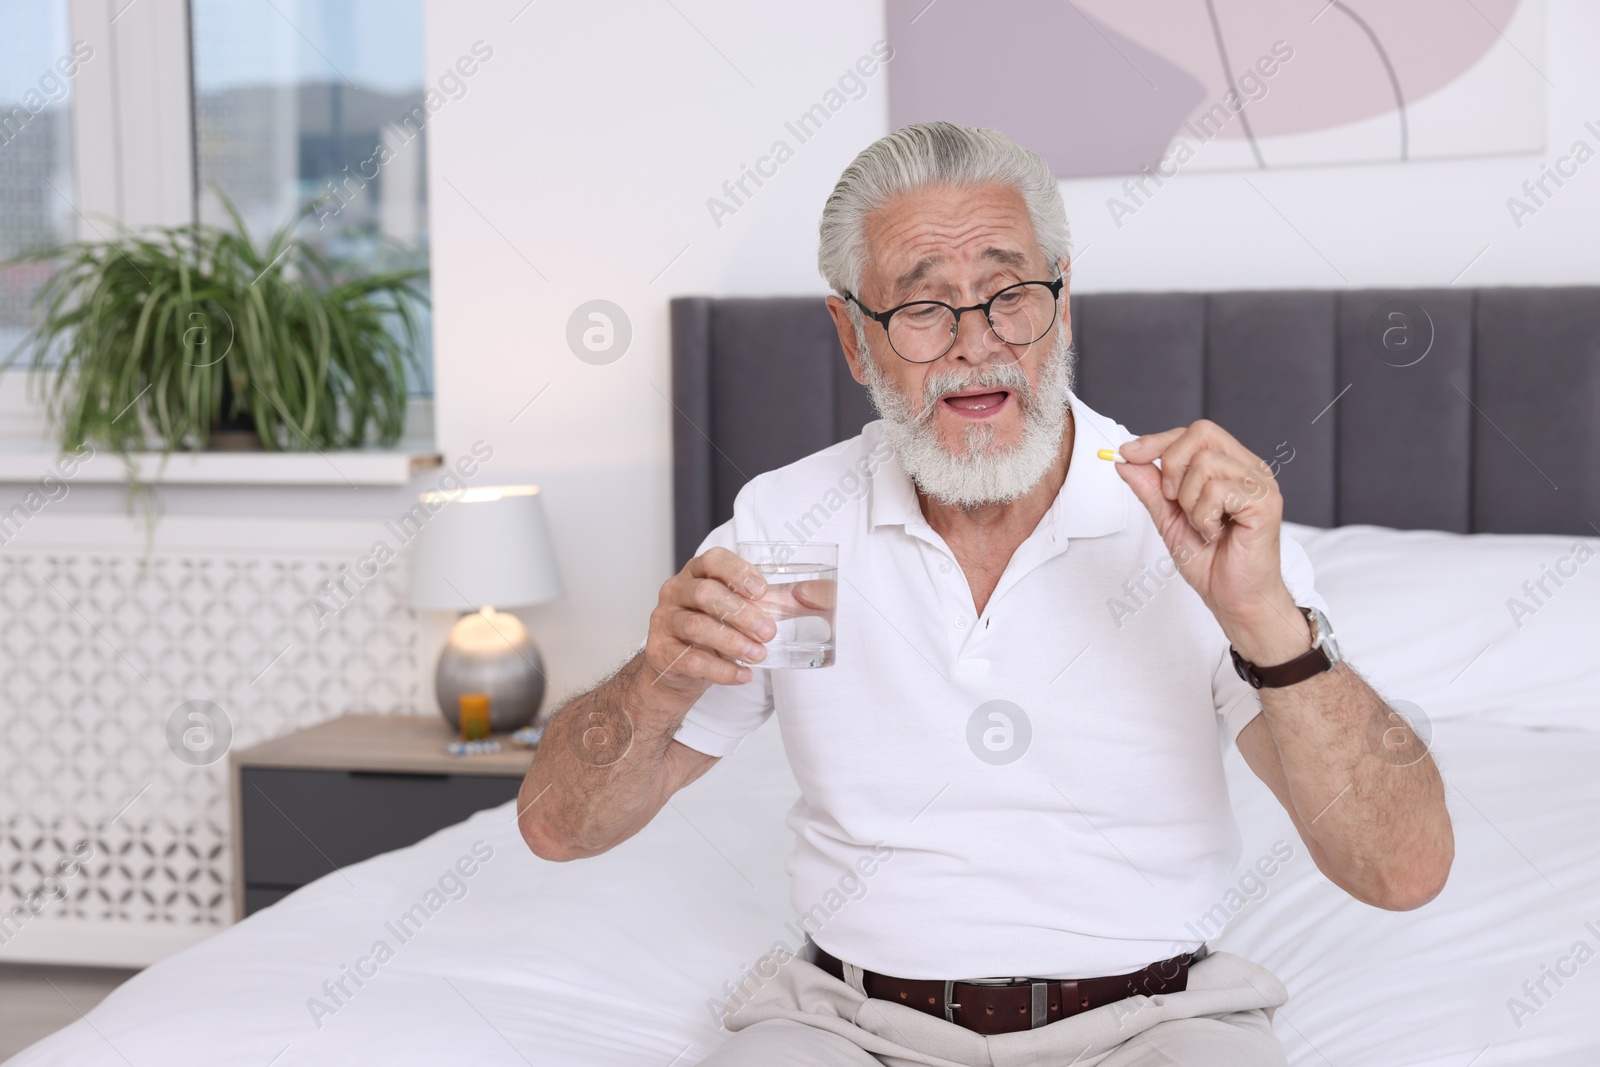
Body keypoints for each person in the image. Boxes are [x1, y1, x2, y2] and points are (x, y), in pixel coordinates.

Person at [516, 121, 1454, 1066]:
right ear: (851, 336)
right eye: (921, 309)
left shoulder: (1194, 525)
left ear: (1064, 303)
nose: (976, 345)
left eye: (1010, 294)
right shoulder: (787, 522)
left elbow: (1404, 870)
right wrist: (655, 684)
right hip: (847, 1025)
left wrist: (1265, 621)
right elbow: (557, 828)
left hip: (1156, 1024)